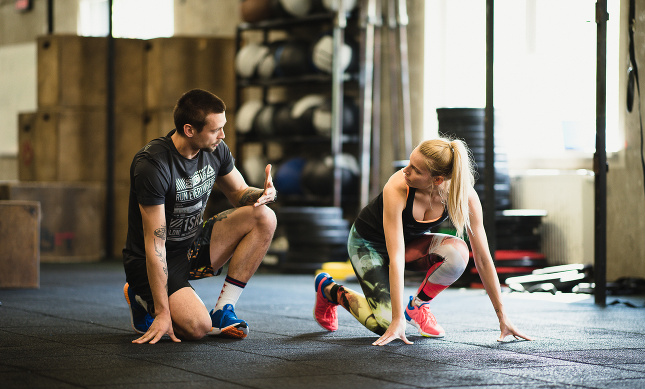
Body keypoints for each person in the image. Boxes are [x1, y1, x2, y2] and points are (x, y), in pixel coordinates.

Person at [313, 137, 532, 345]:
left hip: (409, 243)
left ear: (437, 180)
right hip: (367, 243)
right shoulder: (397, 186)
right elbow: (395, 256)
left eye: (416, 169)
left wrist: (503, 318)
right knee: (385, 324)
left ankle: (417, 306)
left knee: (458, 253)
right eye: (409, 162)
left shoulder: (464, 196)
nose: (405, 170)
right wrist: (397, 320)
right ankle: (330, 290)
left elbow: (483, 259)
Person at [122, 88, 277, 344]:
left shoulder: (215, 149)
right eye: (216, 129)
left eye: (223, 127)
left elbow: (239, 192)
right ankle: (142, 297)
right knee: (197, 328)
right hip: (152, 258)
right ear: (189, 130)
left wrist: (263, 193)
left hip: (191, 246)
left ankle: (223, 310)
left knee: (264, 217)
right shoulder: (152, 165)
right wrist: (162, 313)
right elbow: (155, 243)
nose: (223, 135)